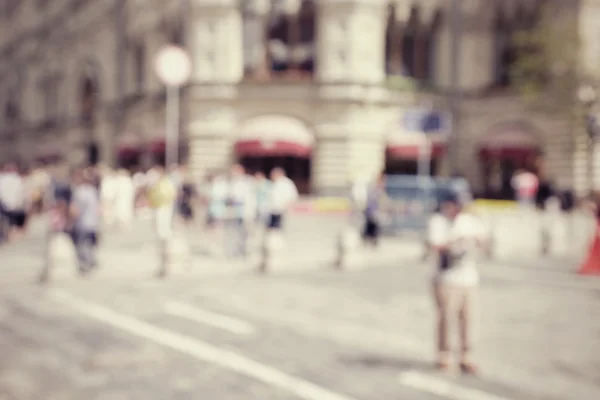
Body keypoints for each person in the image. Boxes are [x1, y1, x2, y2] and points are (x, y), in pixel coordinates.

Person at [428, 193, 487, 374]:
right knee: (446, 317)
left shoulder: (468, 220)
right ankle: (444, 354)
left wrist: (475, 240)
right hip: (447, 278)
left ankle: (466, 356)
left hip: (469, 277)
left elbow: (483, 241)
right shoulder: (438, 221)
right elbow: (435, 246)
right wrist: (455, 241)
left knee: (468, 319)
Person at [70, 170, 101, 273]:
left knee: (81, 244)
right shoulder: (93, 191)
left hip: (82, 223)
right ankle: (91, 260)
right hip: (93, 223)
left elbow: (75, 210)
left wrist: (70, 221)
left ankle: (86, 263)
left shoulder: (79, 192)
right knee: (89, 243)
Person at [0, 164, 28, 241]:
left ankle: (9, 234)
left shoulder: (2, 179)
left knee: (7, 221)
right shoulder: (18, 179)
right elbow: (22, 193)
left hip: (4, 206)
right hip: (16, 206)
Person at [363, 174, 386, 247]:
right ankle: (368, 240)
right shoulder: (374, 189)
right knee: (371, 227)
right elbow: (373, 200)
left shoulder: (377, 190)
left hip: (373, 212)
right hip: (371, 211)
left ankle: (371, 241)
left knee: (372, 227)